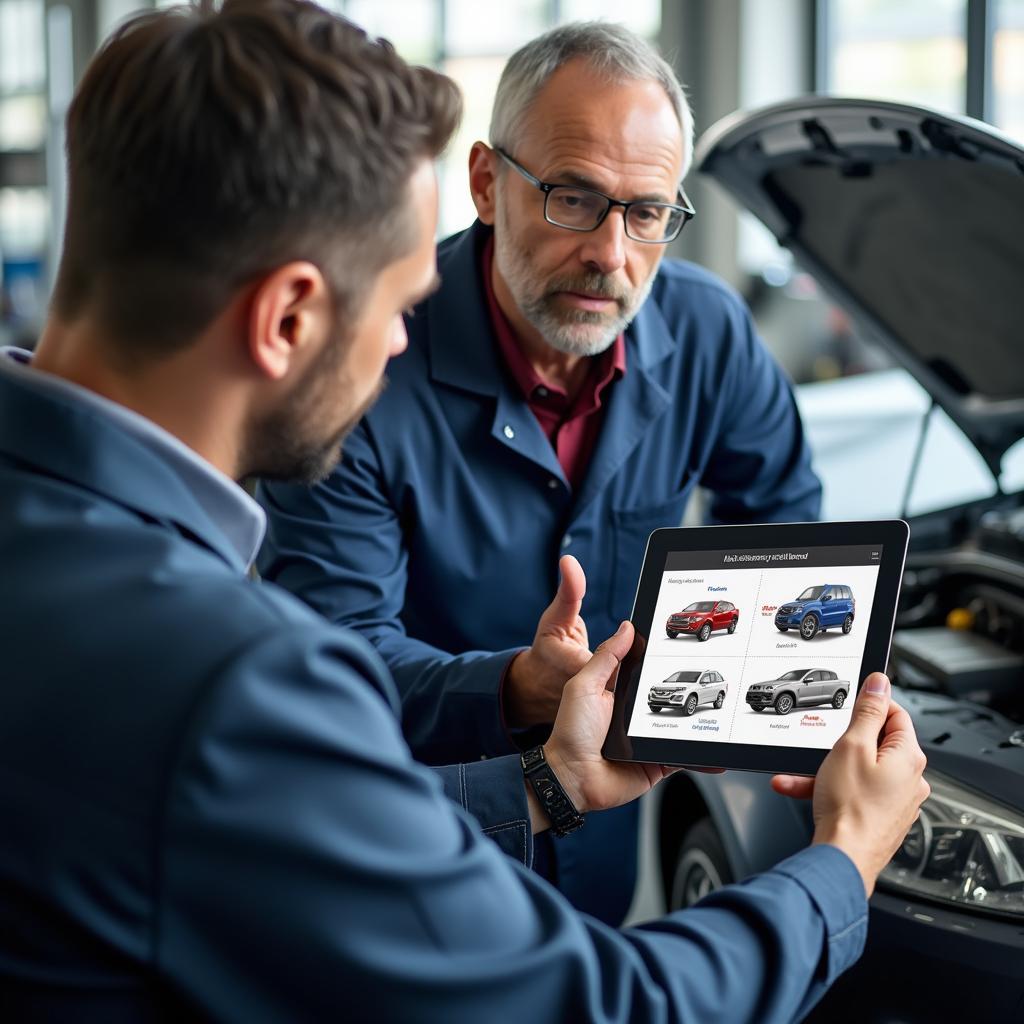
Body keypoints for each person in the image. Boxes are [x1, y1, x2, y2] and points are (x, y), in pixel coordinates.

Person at [0, 2, 929, 1020]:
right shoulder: (231, 680)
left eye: (647, 213)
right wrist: (845, 859)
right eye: (398, 309)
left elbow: (307, 835)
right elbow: (605, 1006)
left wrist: (554, 781)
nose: (403, 345)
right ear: (289, 318)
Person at [258, 21, 823, 924]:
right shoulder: (360, 366)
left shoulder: (710, 333)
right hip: (411, 848)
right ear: (486, 183)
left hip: (605, 848)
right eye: (572, 197)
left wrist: (784, 708)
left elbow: (785, 528)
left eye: (647, 213)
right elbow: (335, 653)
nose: (612, 254)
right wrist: (517, 684)